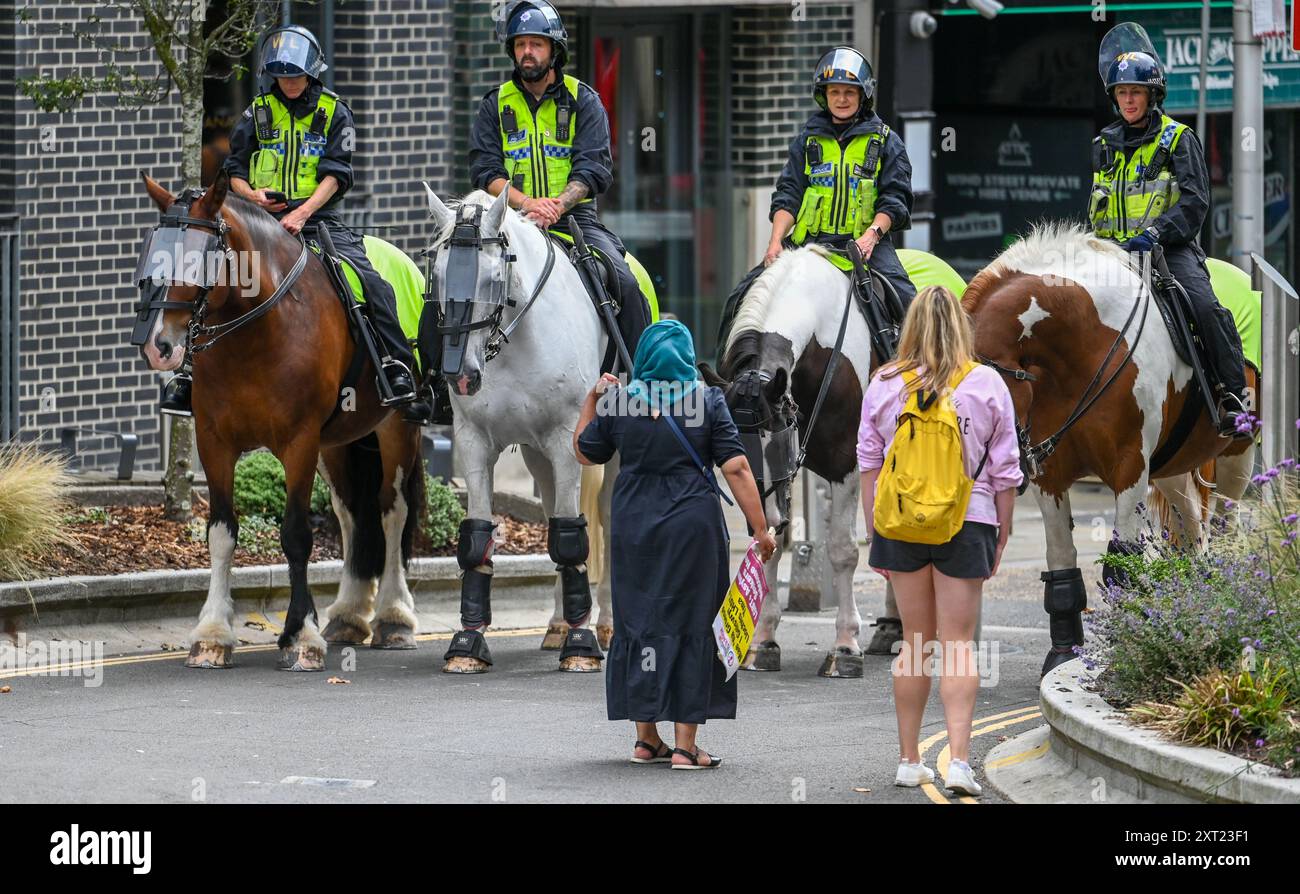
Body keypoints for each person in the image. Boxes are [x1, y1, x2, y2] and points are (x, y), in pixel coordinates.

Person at [159, 25, 429, 422]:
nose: (288, 83)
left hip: (317, 219)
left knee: (372, 284)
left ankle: (395, 367)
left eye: (295, 76)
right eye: (281, 76)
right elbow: (233, 167)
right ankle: (188, 377)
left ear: (312, 73)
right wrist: (249, 195)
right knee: (208, 282)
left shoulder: (335, 112)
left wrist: (301, 214)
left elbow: (338, 174)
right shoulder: (257, 111)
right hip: (259, 219)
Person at [574, 320, 777, 770]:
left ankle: (646, 740)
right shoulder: (707, 400)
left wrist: (592, 398)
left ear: (644, 357)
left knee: (639, 621)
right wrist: (760, 530)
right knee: (692, 625)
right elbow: (738, 468)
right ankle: (685, 747)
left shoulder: (620, 402)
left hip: (633, 529)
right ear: (685, 357)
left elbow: (585, 453)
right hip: (691, 529)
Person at [856, 286, 1023, 797]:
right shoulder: (987, 382)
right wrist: (1000, 532)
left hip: (901, 525)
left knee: (914, 645)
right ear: (961, 327)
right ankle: (959, 764)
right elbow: (1006, 471)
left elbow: (869, 464)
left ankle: (909, 760)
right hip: (967, 523)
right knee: (956, 647)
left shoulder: (885, 382)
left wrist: (875, 532)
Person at [467, 1, 649, 381]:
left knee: (626, 283)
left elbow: (593, 167)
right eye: (520, 45)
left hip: (575, 220)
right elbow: (486, 171)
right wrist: (527, 204)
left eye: (536, 44)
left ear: (554, 50)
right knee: (458, 273)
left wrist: (557, 206)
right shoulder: (493, 105)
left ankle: (643, 380)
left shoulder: (584, 100)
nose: (527, 52)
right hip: (512, 220)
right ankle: (442, 382)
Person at [1090, 26, 1248, 437]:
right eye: (1122, 92)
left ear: (1151, 96)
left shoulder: (1179, 139)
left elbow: (1195, 203)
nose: (1127, 99)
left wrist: (1157, 233)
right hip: (1110, 253)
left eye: (1136, 92)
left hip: (1167, 251)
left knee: (1207, 308)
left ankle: (1235, 399)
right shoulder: (1102, 144)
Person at [717, 46, 916, 354]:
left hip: (864, 246)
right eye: (834, 91)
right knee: (740, 298)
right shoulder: (807, 139)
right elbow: (789, 194)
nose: (842, 99)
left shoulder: (887, 141)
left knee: (908, 303)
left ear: (864, 95)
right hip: (809, 242)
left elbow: (895, 199)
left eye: (850, 92)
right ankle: (730, 377)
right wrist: (774, 243)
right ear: (824, 95)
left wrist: (871, 237)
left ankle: (911, 372)